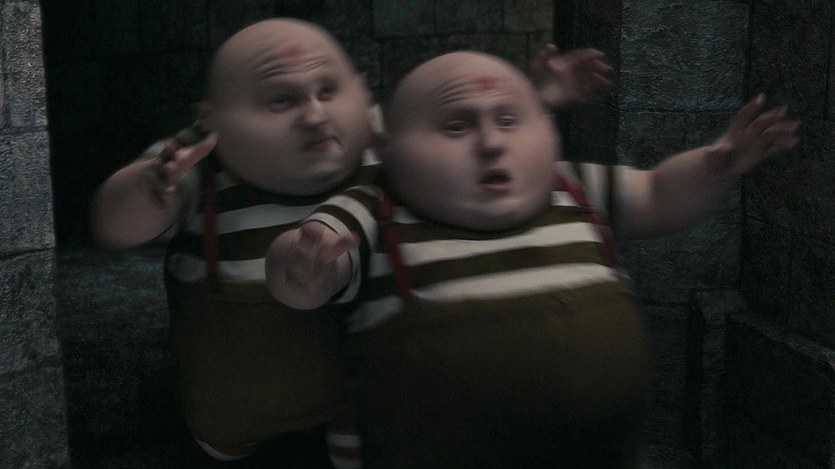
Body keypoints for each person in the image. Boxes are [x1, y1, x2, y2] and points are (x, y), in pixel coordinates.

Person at [90, 15, 614, 466]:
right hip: (242, 390)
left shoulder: (381, 141)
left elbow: (466, 134)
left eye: (328, 91)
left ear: (363, 96)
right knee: (228, 441)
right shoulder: (199, 164)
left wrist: (531, 98)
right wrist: (150, 189)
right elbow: (114, 229)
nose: (314, 115)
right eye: (280, 100)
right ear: (211, 120)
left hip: (364, 383)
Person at [264, 51, 799, 468]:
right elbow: (307, 266)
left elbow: (660, 194)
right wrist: (304, 265)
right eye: (456, 126)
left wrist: (715, 166)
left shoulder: (571, 186)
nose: (491, 143)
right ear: (389, 150)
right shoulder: (378, 211)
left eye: (508, 120)